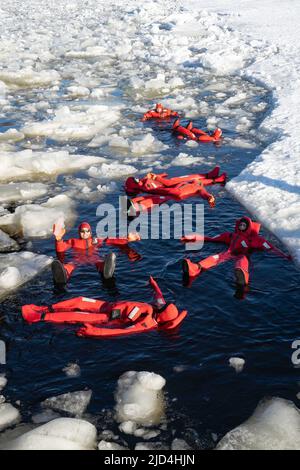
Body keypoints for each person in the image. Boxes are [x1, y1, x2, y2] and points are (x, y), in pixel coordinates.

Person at [181, 216, 291, 292]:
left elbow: (270, 248)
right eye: (241, 224)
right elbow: (213, 238)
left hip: (242, 255)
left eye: (244, 225)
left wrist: (284, 256)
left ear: (248, 227)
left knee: (242, 261)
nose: (241, 226)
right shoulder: (231, 236)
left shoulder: (255, 240)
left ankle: (243, 277)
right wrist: (193, 238)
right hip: (229, 253)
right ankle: (195, 267)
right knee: (216, 257)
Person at [51, 221, 141, 289]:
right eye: (82, 231)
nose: (85, 233)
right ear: (79, 232)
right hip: (78, 260)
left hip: (94, 258)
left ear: (90, 232)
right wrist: (58, 240)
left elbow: (110, 240)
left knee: (100, 263)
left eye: (87, 231)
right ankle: (63, 274)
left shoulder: (96, 240)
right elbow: (61, 249)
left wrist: (127, 239)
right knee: (69, 265)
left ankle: (106, 269)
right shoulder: (73, 241)